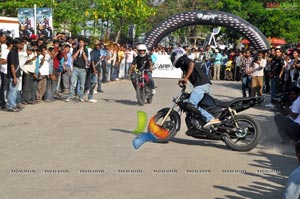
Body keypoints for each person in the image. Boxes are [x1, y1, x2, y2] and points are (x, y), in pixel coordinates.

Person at [170, 47, 221, 129]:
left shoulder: (184, 59)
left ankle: (210, 118)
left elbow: (191, 64)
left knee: (191, 104)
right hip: (203, 84)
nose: (172, 58)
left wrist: (186, 78)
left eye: (173, 56)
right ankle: (206, 125)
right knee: (203, 106)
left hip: (201, 85)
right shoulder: (183, 62)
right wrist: (184, 80)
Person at [66, 37, 88, 102]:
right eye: (80, 42)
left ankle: (80, 96)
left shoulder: (86, 50)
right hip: (75, 68)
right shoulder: (75, 49)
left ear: (84, 43)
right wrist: (78, 50)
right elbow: (73, 57)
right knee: (72, 82)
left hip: (82, 69)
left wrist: (83, 52)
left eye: (82, 42)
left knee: (82, 84)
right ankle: (70, 95)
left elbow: (86, 59)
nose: (81, 43)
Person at [6, 38, 23, 112]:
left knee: (14, 91)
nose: (21, 45)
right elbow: (12, 66)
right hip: (13, 76)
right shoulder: (12, 52)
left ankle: (13, 104)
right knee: (12, 91)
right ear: (15, 44)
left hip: (17, 74)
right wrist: (14, 77)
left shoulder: (16, 52)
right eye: (19, 44)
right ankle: (11, 106)